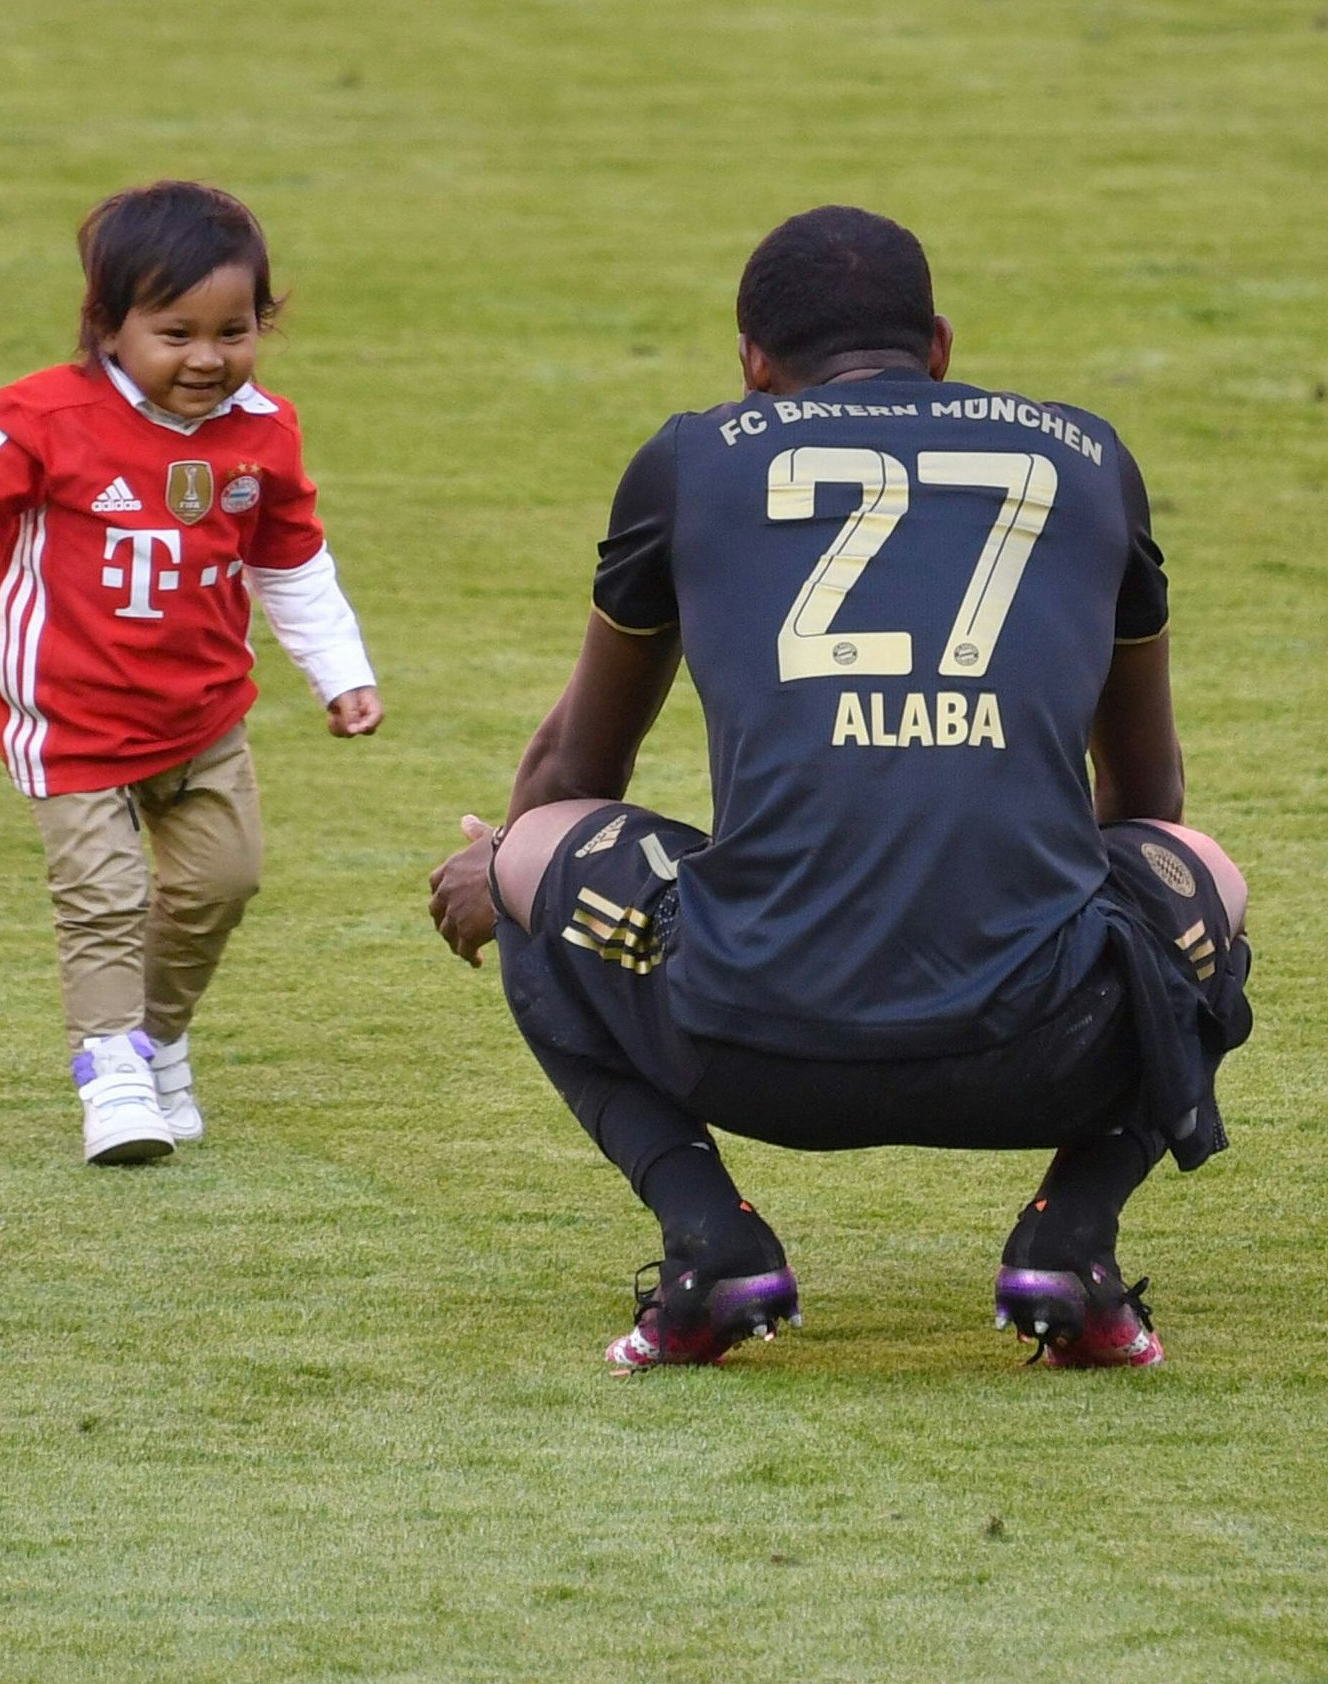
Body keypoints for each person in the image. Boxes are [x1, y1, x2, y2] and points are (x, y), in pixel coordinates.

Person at [427, 206, 1251, 1370]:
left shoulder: (692, 459)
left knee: (529, 852)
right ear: (942, 347)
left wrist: (496, 865)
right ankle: (1072, 1242)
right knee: (1202, 872)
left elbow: (577, 773)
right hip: (1040, 1048)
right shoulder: (1089, 458)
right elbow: (1147, 795)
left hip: (750, 1036)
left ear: (753, 366)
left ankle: (710, 1243)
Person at [0, 180, 382, 1166]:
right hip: (69, 722)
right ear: (106, 326)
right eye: (175, 331)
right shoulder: (39, 415)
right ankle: (110, 1074)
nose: (206, 358)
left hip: (202, 719)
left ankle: (156, 1036)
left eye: (233, 330)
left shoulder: (264, 432)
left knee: (223, 884)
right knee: (102, 898)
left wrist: (339, 671)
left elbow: (288, 563)